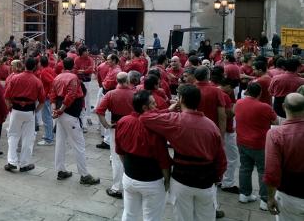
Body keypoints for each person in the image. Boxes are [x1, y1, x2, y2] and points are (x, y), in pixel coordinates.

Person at [140, 85, 227, 221]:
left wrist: (169, 109)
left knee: (182, 217)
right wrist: (217, 177)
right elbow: (221, 158)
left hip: (181, 178)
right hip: (206, 179)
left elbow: (145, 118)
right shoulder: (211, 126)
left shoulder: (174, 120)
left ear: (181, 99)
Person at [115, 90, 171, 221]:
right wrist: (167, 179)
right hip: (151, 181)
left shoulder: (123, 121)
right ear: (145, 108)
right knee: (151, 217)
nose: (156, 106)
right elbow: (163, 159)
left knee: (129, 214)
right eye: (153, 104)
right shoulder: (154, 128)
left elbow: (120, 150)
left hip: (129, 177)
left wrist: (127, 169)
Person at [50, 57, 100, 185]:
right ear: (73, 66)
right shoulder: (73, 78)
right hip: (69, 113)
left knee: (60, 142)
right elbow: (71, 95)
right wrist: (60, 110)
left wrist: (55, 110)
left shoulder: (57, 77)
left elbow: (53, 95)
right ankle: (84, 175)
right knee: (79, 145)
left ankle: (61, 170)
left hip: (61, 113)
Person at [234, 82, 278, 210]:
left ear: (247, 91)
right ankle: (264, 200)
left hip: (242, 141)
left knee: (244, 168)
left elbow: (233, 113)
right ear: (259, 93)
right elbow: (275, 121)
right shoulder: (265, 107)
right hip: (260, 144)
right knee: (262, 171)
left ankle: (244, 194)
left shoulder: (239, 103)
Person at [264, 93, 304, 219]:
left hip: (291, 195)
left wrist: (270, 198)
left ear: (283, 106)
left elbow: (272, 171)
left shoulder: (276, 134)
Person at [96, 72, 136, 198]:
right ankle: (130, 185)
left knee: (116, 157)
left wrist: (106, 125)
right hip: (132, 127)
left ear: (116, 81)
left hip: (116, 127)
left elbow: (99, 110)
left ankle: (117, 188)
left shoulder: (111, 94)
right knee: (131, 155)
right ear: (128, 80)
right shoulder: (135, 94)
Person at [4, 57, 45, 173]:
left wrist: (10, 108)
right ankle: (24, 164)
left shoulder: (15, 78)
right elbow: (42, 101)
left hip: (16, 110)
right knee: (28, 138)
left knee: (13, 135)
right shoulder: (37, 81)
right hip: (29, 111)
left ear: (24, 66)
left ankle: (11, 162)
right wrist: (35, 111)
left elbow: (6, 96)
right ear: (35, 67)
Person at [37, 56, 56, 146]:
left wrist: (48, 93)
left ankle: (49, 138)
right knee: (47, 117)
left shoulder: (44, 71)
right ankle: (48, 135)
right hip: (47, 96)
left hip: (46, 97)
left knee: (46, 117)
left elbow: (52, 82)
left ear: (41, 63)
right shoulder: (49, 69)